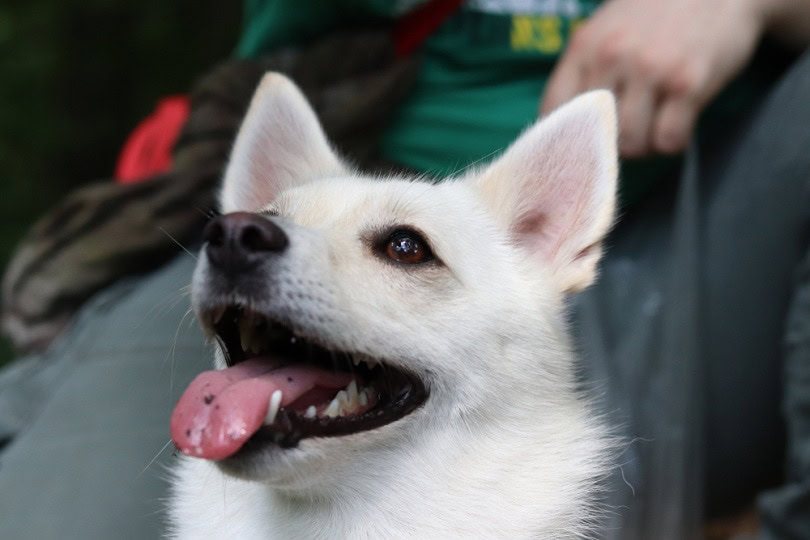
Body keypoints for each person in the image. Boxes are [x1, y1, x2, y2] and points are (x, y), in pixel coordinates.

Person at [0, 1, 808, 538]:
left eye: (399, 251)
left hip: (717, 218)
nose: (245, 235)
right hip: (360, 123)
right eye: (259, 226)